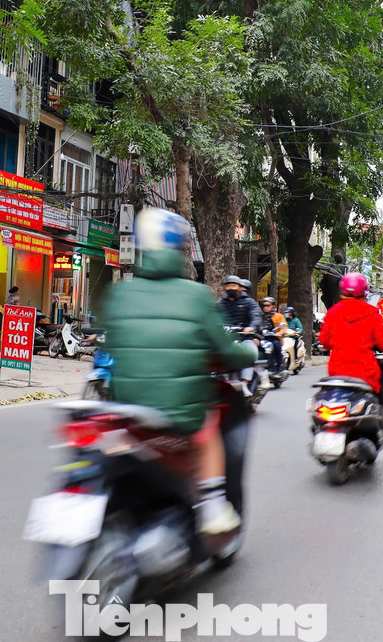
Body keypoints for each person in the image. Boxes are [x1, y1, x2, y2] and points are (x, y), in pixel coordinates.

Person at [99, 209, 258, 534]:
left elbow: (110, 347)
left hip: (125, 410)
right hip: (179, 416)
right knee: (210, 424)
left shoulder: (120, 294)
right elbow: (226, 350)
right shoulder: (197, 296)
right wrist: (250, 352)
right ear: (180, 249)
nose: (230, 288)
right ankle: (213, 505)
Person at [318, 273, 383, 424]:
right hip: (365, 372)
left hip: (337, 371)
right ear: (364, 292)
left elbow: (325, 342)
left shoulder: (333, 312)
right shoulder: (372, 313)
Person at [259, 295, 287, 374]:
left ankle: (279, 366)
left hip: (275, 338)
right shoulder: (260, 316)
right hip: (262, 338)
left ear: (273, 306)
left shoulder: (279, 316)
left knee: (277, 346)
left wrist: (280, 333)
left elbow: (284, 326)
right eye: (264, 306)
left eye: (268, 305)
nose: (265, 307)